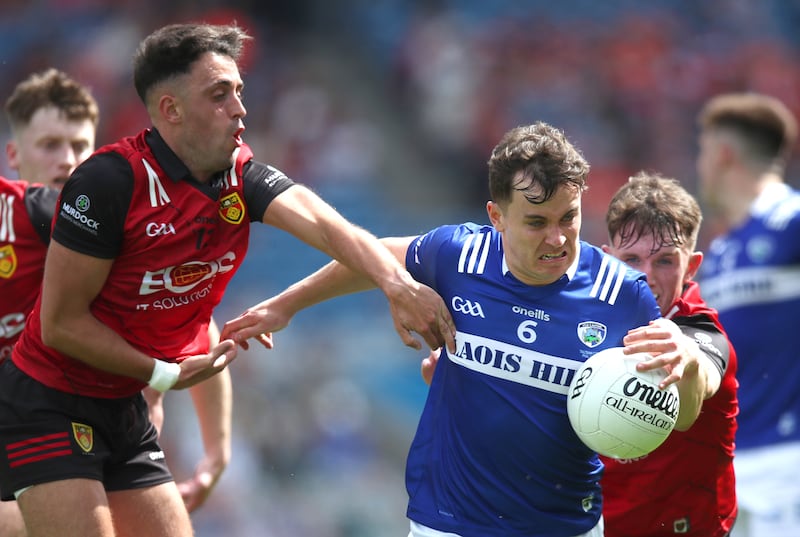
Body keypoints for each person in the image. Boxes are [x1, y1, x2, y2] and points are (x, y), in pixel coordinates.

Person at [0, 24, 454, 537]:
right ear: (170, 109)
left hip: (124, 406)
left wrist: (395, 284)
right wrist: (163, 374)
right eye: (219, 95)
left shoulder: (239, 176)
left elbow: (328, 225)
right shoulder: (108, 184)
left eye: (239, 91)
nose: (239, 108)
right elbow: (60, 325)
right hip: (50, 400)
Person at [221, 122, 719, 537]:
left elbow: (681, 414)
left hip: (565, 525)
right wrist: (288, 305)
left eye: (569, 217)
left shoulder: (622, 293)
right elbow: (370, 257)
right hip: (449, 522)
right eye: (536, 221)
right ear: (496, 217)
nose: (557, 237)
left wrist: (688, 363)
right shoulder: (459, 254)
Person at [0, 67, 233, 535]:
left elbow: (195, 324)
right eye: (50, 145)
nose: (67, 161)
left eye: (79, 147)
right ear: (14, 154)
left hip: (104, 439)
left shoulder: (108, 235)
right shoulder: (13, 221)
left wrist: (217, 451)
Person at [599, 171, 738, 536]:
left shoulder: (703, 331)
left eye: (664, 261)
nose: (646, 275)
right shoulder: (587, 323)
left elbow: (688, 408)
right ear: (607, 258)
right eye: (631, 259)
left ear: (691, 266)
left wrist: (688, 358)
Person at [696, 92, 800, 537]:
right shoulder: (719, 254)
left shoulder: (792, 219)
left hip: (788, 467)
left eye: (701, 152)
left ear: (722, 154)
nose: (698, 166)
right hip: (733, 476)